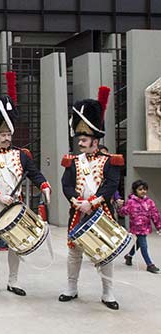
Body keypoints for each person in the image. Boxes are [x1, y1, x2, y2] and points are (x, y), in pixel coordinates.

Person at [0, 82, 51, 296]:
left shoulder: (22, 154)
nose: (7, 137)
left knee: (15, 245)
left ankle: (13, 281)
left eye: (9, 134)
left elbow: (34, 173)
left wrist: (44, 184)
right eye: (3, 134)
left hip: (16, 205)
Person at [59, 90, 125, 310]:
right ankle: (71, 288)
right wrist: (74, 200)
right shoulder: (73, 161)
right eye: (79, 139)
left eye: (84, 139)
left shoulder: (110, 161)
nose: (80, 143)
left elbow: (111, 184)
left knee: (105, 252)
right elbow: (66, 183)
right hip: (78, 210)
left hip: (100, 210)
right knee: (74, 252)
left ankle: (108, 293)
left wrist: (93, 202)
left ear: (95, 141)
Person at [118, 179, 161, 274]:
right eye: (140, 189)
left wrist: (159, 226)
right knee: (143, 245)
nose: (143, 191)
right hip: (136, 227)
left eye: (145, 189)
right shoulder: (131, 202)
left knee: (139, 243)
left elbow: (155, 215)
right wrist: (119, 207)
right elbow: (123, 212)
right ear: (135, 190)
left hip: (145, 227)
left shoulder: (149, 202)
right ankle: (150, 264)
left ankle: (129, 256)